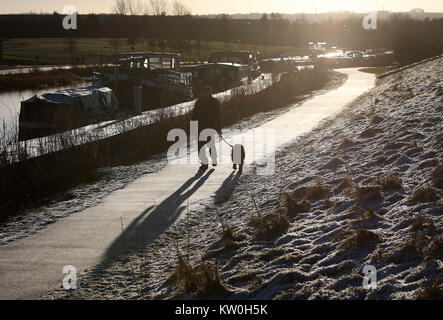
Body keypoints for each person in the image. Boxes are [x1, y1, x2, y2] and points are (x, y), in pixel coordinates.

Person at [191, 86, 221, 171]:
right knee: (201, 146)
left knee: (211, 144)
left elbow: (218, 116)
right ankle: (204, 163)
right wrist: (193, 128)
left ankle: (214, 159)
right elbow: (194, 115)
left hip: (210, 127)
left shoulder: (215, 102)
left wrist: (218, 128)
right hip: (200, 127)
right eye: (205, 92)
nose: (206, 94)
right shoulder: (199, 102)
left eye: (208, 92)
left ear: (210, 93)